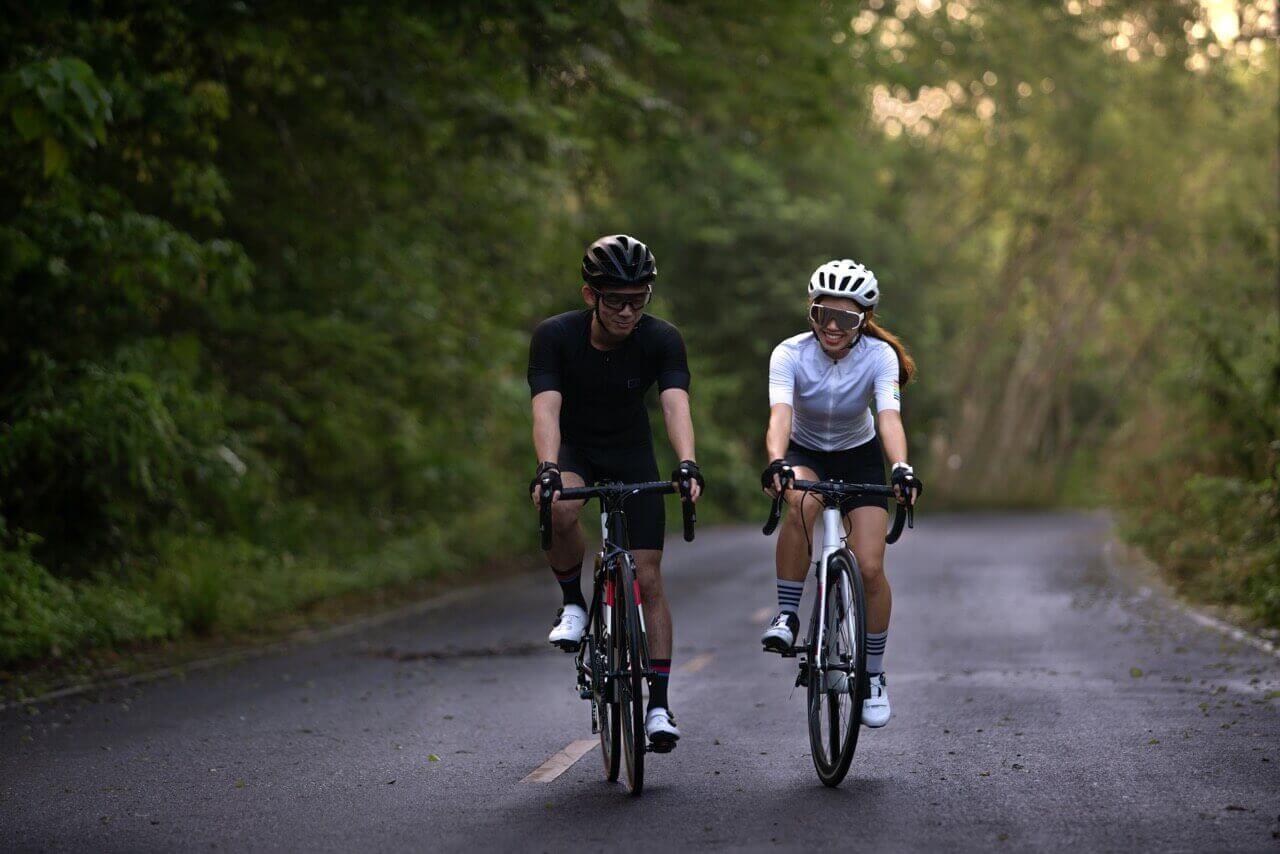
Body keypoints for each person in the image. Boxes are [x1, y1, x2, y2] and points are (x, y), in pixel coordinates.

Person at [527, 234, 703, 752]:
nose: (628, 311)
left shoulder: (661, 338)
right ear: (590, 296)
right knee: (558, 505)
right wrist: (547, 468)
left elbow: (675, 404)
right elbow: (546, 409)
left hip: (631, 453)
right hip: (576, 450)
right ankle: (573, 604)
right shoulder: (555, 337)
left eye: (639, 299)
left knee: (648, 577)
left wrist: (687, 463)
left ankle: (659, 706)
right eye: (616, 300)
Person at [760, 258, 922, 727]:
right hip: (804, 450)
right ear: (810, 312)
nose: (831, 326)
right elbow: (780, 415)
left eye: (845, 318)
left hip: (859, 453)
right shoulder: (788, 353)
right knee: (803, 502)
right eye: (821, 315)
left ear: (863, 321)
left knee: (870, 566)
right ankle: (788, 616)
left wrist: (901, 468)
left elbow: (888, 417)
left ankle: (872, 676)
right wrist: (776, 460)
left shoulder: (879, 356)